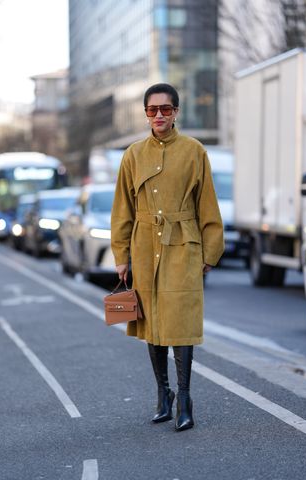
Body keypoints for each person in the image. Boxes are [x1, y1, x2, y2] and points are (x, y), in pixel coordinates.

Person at [111, 83, 224, 431]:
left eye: (165, 109)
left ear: (176, 112)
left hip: (183, 245)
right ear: (145, 114)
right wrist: (121, 254)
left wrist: (210, 251)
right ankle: (164, 395)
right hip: (144, 246)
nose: (158, 115)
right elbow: (122, 209)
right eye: (152, 110)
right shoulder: (132, 154)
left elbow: (207, 205)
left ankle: (185, 398)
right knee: (152, 322)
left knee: (181, 323)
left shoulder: (194, 151)